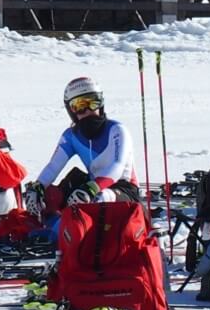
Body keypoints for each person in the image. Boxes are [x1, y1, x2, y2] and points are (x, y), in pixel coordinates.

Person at [34, 76, 139, 213]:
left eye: (93, 103)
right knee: (51, 196)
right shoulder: (71, 136)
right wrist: (39, 186)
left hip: (123, 189)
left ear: (101, 104)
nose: (88, 110)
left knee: (99, 198)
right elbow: (53, 166)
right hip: (92, 187)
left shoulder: (117, 130)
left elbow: (117, 166)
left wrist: (92, 188)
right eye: (80, 106)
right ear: (71, 111)